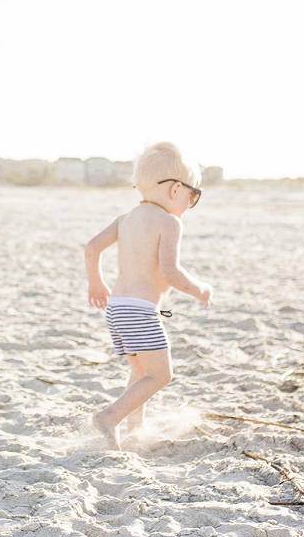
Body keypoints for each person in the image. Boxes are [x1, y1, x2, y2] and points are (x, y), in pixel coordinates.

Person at [84, 142, 212, 449]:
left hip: (116, 308)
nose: (190, 203)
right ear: (175, 190)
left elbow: (91, 248)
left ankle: (134, 428)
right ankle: (109, 417)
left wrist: (96, 284)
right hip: (139, 311)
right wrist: (200, 289)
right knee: (161, 375)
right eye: (193, 195)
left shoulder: (126, 219)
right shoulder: (169, 222)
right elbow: (170, 272)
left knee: (142, 372)